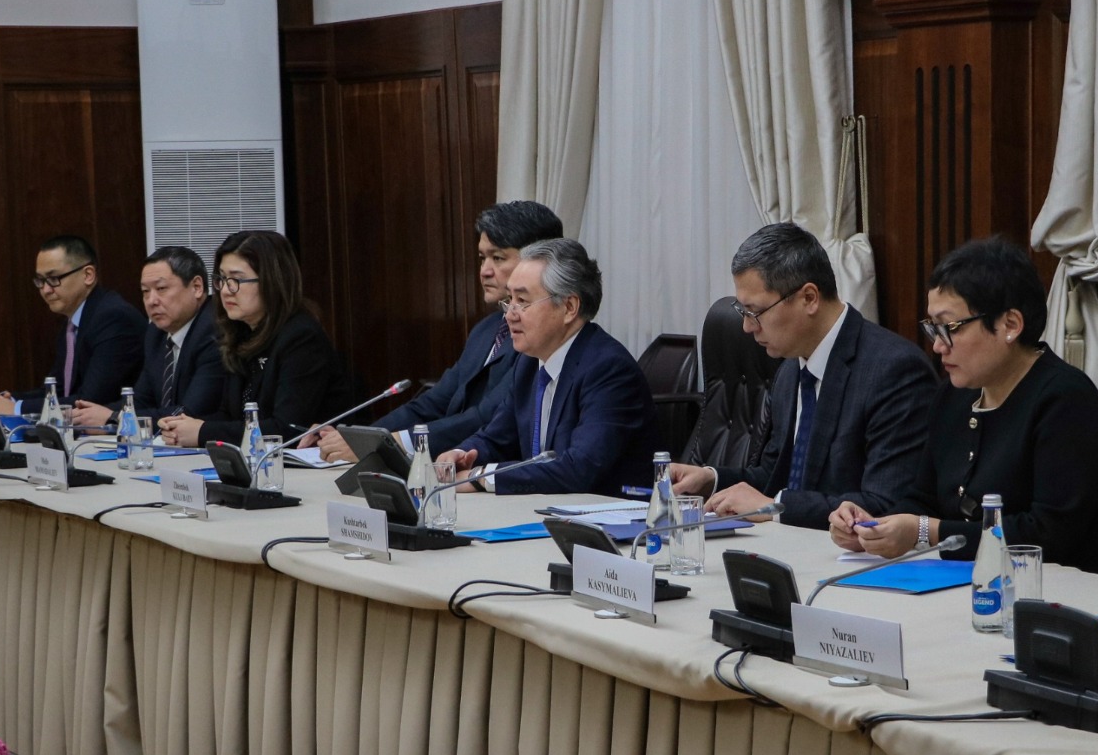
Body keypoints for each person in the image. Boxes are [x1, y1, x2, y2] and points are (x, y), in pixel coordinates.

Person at [828, 238, 1098, 578]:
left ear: (1010, 325)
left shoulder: (1066, 399)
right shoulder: (954, 395)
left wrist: (925, 531)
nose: (937, 346)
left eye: (949, 328)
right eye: (933, 328)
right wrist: (875, 527)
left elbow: (1047, 536)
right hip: (977, 581)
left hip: (1076, 591)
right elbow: (923, 499)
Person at [670, 222, 936, 529]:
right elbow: (775, 476)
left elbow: (886, 504)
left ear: (809, 298)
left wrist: (775, 508)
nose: (747, 327)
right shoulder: (790, 370)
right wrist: (711, 479)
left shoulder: (894, 371)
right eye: (743, 312)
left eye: (755, 312)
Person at [304, 201, 563, 462]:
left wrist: (383, 444)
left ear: (536, 261)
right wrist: (361, 438)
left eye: (497, 258)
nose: (484, 271)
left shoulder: (540, 336)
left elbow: (484, 417)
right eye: (482, 258)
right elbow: (433, 403)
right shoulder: (486, 330)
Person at [438, 238, 660, 496]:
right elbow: (497, 438)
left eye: (522, 300)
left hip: (609, 515)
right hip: (546, 510)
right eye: (509, 300)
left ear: (569, 307)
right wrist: (462, 455)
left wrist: (481, 478)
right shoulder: (529, 363)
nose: (509, 314)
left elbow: (578, 469)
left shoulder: (608, 369)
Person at [157, 231, 355, 448]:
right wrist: (184, 426)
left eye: (236, 280)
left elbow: (287, 429)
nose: (225, 290)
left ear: (272, 281)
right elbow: (230, 415)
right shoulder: (240, 332)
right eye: (221, 279)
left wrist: (203, 431)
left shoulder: (301, 338)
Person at [0, 234, 142, 418]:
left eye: (53, 278)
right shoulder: (73, 322)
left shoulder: (114, 318)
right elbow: (57, 390)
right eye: (40, 280)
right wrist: (8, 400)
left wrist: (18, 408)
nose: (46, 290)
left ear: (88, 275)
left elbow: (89, 400)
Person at [68, 246, 226, 429]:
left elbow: (189, 413)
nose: (151, 301)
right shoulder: (156, 333)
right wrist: (88, 416)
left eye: (161, 288)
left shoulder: (214, 330)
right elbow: (142, 400)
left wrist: (114, 418)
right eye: (145, 291)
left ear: (197, 287)